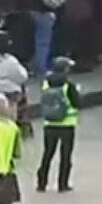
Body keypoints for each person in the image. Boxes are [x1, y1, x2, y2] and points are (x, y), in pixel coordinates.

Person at [34, 57, 81, 193]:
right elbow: (76, 103)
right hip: (66, 125)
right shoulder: (68, 86)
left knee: (47, 154)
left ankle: (41, 183)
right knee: (65, 155)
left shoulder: (46, 84)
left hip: (49, 124)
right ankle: (63, 184)